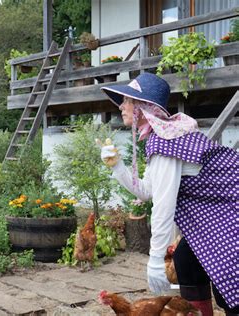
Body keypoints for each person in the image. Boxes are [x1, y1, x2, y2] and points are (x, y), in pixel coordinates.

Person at [99, 73, 238, 316]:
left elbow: (164, 206)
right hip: (220, 214)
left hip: (230, 210)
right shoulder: (164, 138)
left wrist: (155, 260)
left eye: (127, 101)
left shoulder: (166, 144)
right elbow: (148, 191)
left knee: (229, 279)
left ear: (143, 108)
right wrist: (117, 167)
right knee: (186, 258)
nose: (121, 106)